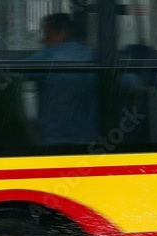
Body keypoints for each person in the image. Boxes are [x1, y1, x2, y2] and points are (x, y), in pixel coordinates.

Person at [24, 12, 99, 145]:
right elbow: (129, 81)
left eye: (45, 33)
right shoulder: (94, 56)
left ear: (57, 32)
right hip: (90, 140)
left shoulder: (46, 57)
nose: (42, 40)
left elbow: (12, 75)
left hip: (54, 141)